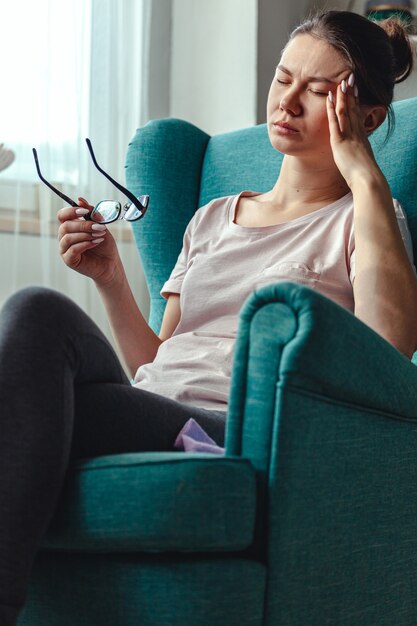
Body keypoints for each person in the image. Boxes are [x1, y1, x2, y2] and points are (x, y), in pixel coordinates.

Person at [1, 9, 416, 625]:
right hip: (157, 407)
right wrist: (113, 282)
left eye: (320, 92)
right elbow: (158, 364)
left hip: (234, 429)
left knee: (32, 405)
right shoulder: (213, 216)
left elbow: (388, 348)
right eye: (283, 79)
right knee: (38, 312)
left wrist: (363, 174)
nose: (288, 102)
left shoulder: (366, 221)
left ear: (367, 116)